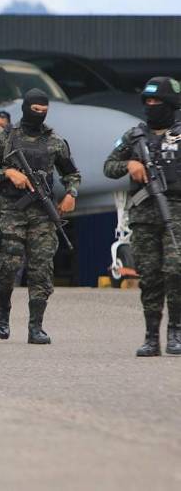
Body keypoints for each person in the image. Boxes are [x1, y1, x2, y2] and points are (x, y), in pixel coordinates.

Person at [0, 89, 80, 345]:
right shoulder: (4, 137)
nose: (39, 114)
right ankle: (2, 310)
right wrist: (9, 174)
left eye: (43, 110)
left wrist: (71, 193)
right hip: (11, 209)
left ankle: (36, 326)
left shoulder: (55, 141)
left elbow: (72, 173)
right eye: (34, 109)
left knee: (41, 268)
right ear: (25, 108)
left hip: (43, 213)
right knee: (8, 265)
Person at [104, 77, 181, 357]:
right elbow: (109, 167)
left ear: (171, 104)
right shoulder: (135, 136)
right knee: (149, 277)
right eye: (147, 102)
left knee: (175, 271)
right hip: (144, 217)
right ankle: (151, 337)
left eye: (157, 102)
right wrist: (130, 164)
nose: (151, 107)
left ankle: (176, 331)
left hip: (176, 216)